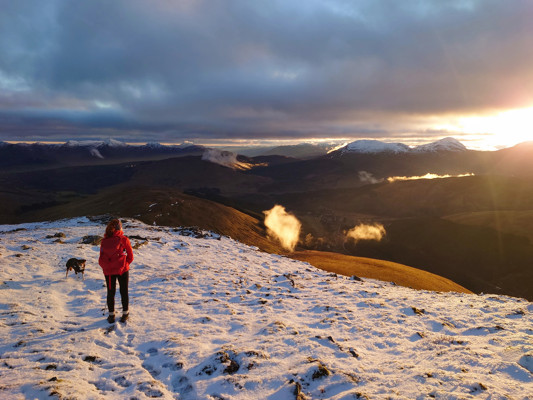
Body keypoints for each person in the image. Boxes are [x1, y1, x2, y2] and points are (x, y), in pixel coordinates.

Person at [98, 219, 134, 323]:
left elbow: (101, 256)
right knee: (124, 291)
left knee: (110, 292)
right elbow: (130, 257)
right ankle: (125, 313)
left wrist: (108, 266)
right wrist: (124, 264)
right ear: (119, 228)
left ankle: (111, 315)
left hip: (108, 271)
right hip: (122, 270)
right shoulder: (124, 239)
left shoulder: (104, 241)